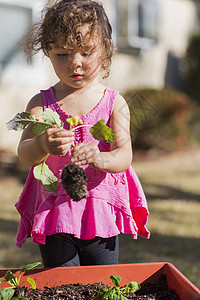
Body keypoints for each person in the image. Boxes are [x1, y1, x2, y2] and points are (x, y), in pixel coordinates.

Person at [16, 0, 150, 267]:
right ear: (47, 51)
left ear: (106, 49)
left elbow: (125, 155)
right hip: (55, 209)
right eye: (62, 55)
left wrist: (100, 158)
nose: (74, 64)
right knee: (62, 286)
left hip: (99, 209)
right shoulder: (41, 103)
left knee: (100, 282)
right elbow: (24, 154)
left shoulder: (114, 103)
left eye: (86, 52)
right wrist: (42, 142)